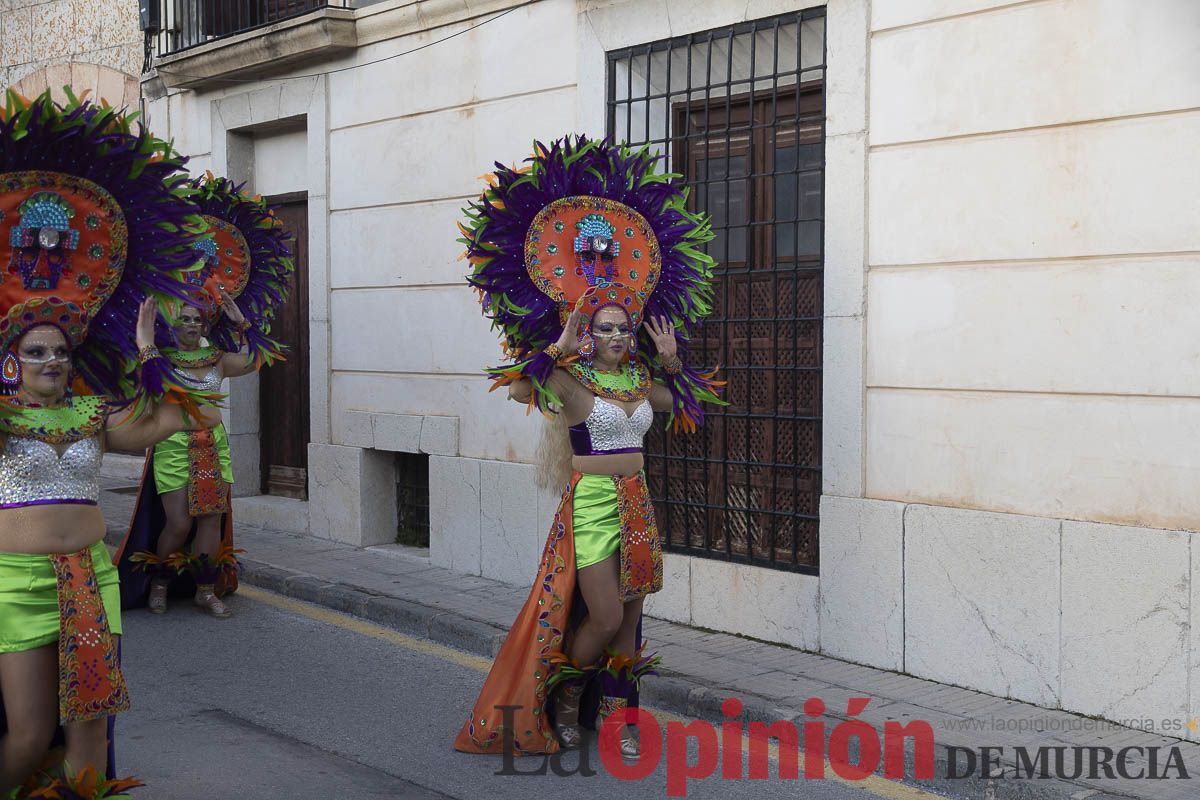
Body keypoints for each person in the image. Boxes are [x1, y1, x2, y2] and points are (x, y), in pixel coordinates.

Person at [453, 136, 724, 758]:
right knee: (600, 616)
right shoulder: (574, 384)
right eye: (605, 328)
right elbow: (521, 384)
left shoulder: (640, 380)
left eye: (623, 328)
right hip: (595, 504)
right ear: (589, 333)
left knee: (629, 618)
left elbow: (690, 407)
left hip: (636, 501)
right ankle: (568, 698)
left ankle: (616, 712)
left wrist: (675, 365)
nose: (618, 336)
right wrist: (560, 344)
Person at [0, 90, 225, 797]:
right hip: (15, 585)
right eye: (37, 353)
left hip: (89, 578)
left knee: (90, 725)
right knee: (33, 732)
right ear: (12, 363)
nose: (51, 362)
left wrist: (148, 352)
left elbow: (189, 420)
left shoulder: (95, 412)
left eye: (61, 352)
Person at [114, 174, 293, 619]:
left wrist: (240, 323)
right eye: (184, 319)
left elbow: (256, 359)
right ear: (173, 324)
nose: (191, 325)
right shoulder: (160, 359)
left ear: (205, 322)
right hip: (173, 448)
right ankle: (158, 578)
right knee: (178, 522)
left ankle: (205, 589)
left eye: (197, 319)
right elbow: (146, 379)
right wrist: (143, 338)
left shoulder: (218, 357)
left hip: (214, 448)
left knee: (212, 521)